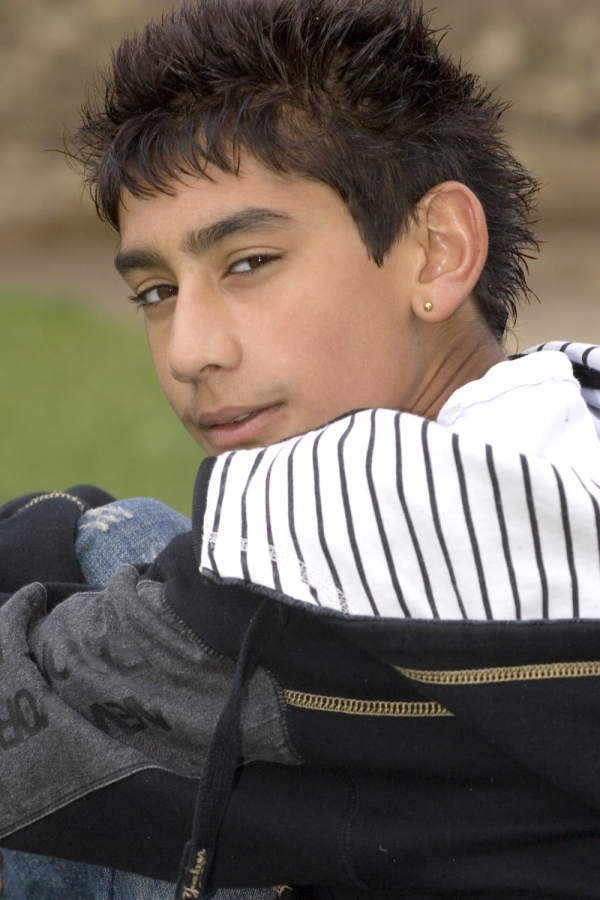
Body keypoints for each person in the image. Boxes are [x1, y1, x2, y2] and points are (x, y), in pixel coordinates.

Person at [1, 0, 600, 897]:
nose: (190, 351)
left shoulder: (372, 497)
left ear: (435, 251)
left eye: (248, 263)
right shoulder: (569, 408)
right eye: (157, 291)